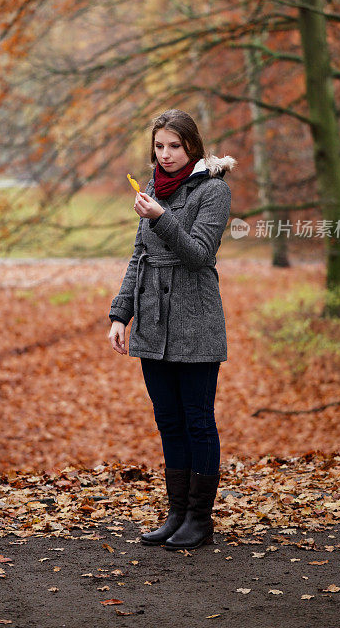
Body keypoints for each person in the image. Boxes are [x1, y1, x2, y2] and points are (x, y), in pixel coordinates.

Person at [108, 108, 236, 550]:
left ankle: (200, 520)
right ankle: (177, 514)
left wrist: (161, 216)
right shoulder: (151, 191)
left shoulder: (214, 191)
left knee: (198, 422)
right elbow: (137, 257)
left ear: (192, 147)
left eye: (175, 146)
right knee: (169, 423)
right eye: (159, 147)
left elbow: (200, 253)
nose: (166, 155)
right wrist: (120, 314)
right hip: (153, 325)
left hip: (195, 323)